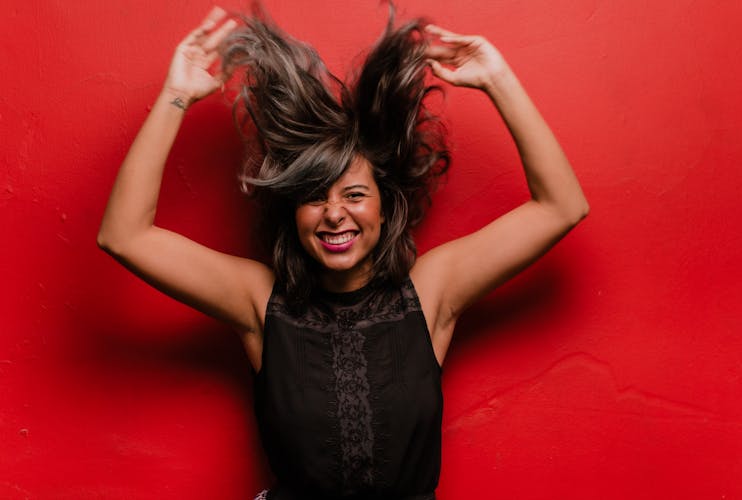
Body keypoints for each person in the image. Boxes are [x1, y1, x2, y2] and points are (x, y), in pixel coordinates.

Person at [97, 4, 589, 499]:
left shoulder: (431, 291)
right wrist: (177, 96)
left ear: (383, 207)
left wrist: (497, 78)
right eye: (314, 197)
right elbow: (125, 236)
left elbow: (560, 207)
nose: (334, 213)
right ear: (293, 213)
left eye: (354, 195)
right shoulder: (258, 299)